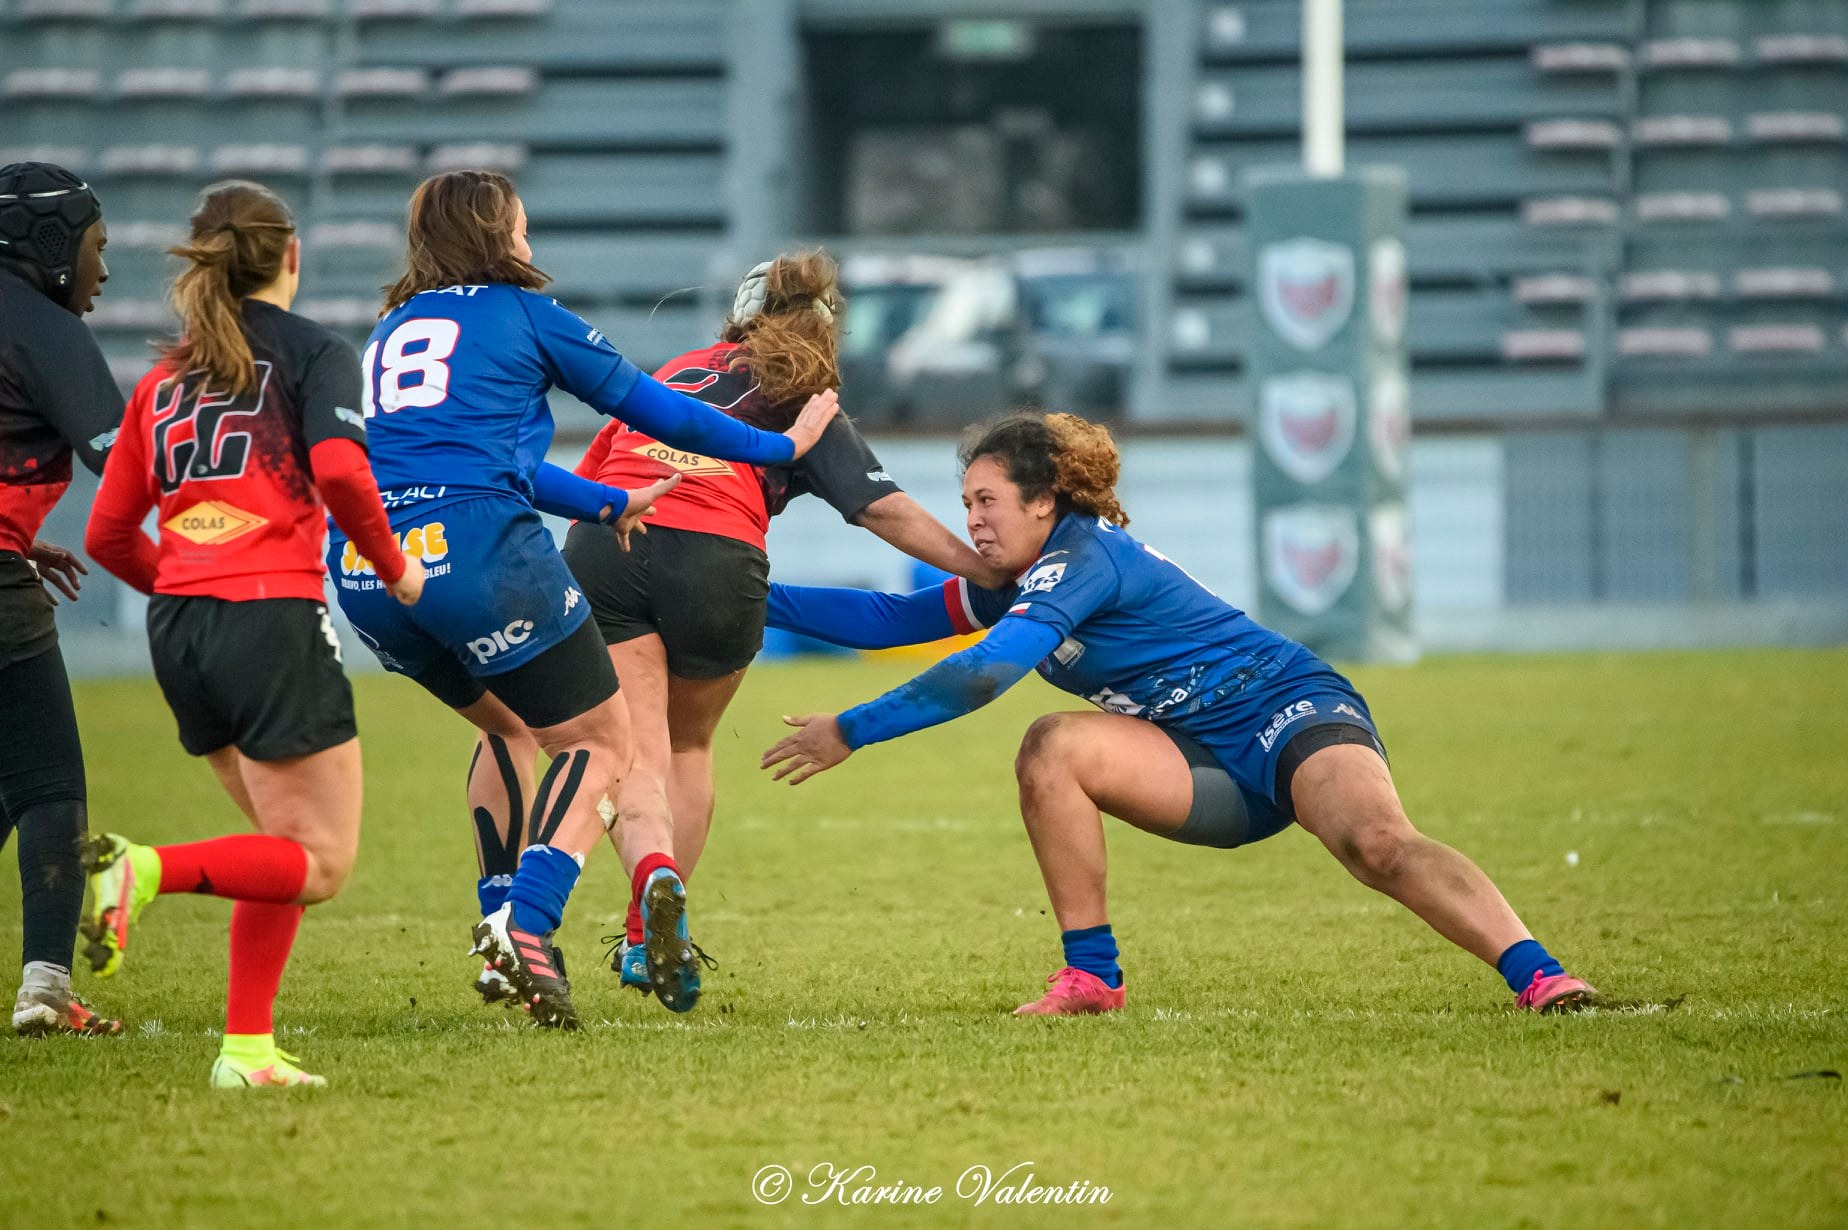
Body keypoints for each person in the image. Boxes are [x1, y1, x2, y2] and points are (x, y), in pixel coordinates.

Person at [761, 412, 1598, 1017]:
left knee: (1376, 844)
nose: (971, 521)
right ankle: (1093, 978)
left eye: (986, 501)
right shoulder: (1014, 580)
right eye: (967, 502)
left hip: (1288, 708)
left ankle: (1538, 973)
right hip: (1196, 761)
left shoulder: (1083, 558)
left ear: (1045, 500)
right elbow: (884, 620)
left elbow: (983, 676)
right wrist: (742, 592)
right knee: (1053, 747)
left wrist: (852, 729)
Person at [329, 170, 838, 1026]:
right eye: (522, 227)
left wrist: (605, 502)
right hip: (481, 555)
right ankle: (526, 926)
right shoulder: (525, 314)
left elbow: (495, 460)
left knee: (513, 726)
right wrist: (781, 440)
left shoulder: (391, 330)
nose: (530, 242)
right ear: (499, 236)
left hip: (371, 569)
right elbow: (660, 411)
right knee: (603, 741)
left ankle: (498, 909)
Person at [524, 251, 1010, 1005]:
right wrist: (982, 569)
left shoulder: (681, 366)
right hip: (720, 556)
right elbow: (883, 508)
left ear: (740, 316)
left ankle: (644, 891)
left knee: (636, 752)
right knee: (688, 746)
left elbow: (589, 478)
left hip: (612, 542)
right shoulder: (806, 394)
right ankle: (641, 930)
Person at [81, 180, 423, 1087]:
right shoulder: (315, 353)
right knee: (318, 861)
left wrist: (193, 588)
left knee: (279, 846)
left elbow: (107, 534)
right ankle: (142, 868)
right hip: (269, 618)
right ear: (292, 256)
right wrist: (393, 567)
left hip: (180, 629)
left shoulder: (163, 381)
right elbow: (344, 472)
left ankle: (247, 1051)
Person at [0, 160, 126, 1037]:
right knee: (51, 786)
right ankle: (46, 987)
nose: (103, 271)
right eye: (96, 246)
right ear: (49, 244)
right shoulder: (42, 327)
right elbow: (118, 460)